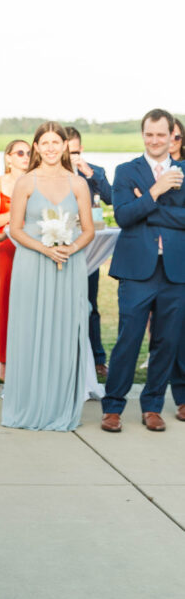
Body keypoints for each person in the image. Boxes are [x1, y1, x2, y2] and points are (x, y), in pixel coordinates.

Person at [2, 122, 94, 432]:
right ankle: (28, 404)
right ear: (37, 146)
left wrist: (70, 248)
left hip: (68, 266)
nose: (52, 147)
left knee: (64, 331)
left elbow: (89, 229)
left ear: (66, 146)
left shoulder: (78, 184)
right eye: (46, 142)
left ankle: (59, 404)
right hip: (32, 264)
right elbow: (14, 229)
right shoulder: (26, 182)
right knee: (30, 330)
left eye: (58, 142)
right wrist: (44, 248)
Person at [102, 109, 185, 433]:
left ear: (172, 137)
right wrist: (158, 190)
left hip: (176, 272)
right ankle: (113, 407)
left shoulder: (184, 170)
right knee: (128, 339)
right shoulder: (126, 171)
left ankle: (152, 406)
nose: (155, 140)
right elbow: (123, 216)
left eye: (161, 135)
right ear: (143, 135)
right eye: (149, 134)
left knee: (166, 342)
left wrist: (147, 207)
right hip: (137, 271)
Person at [66, 126, 113, 379]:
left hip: (88, 248)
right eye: (67, 151)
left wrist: (90, 174)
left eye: (74, 151)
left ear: (81, 149)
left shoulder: (94, 172)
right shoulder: (52, 175)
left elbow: (110, 198)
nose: (70, 155)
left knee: (91, 304)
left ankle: (97, 358)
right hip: (60, 244)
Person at [0, 139, 30, 380]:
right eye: (20, 152)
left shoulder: (35, 181)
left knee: (28, 303)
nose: (25, 156)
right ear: (8, 157)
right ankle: (3, 361)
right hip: (6, 247)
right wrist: (18, 211)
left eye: (28, 152)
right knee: (6, 302)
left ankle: (25, 356)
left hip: (31, 247)